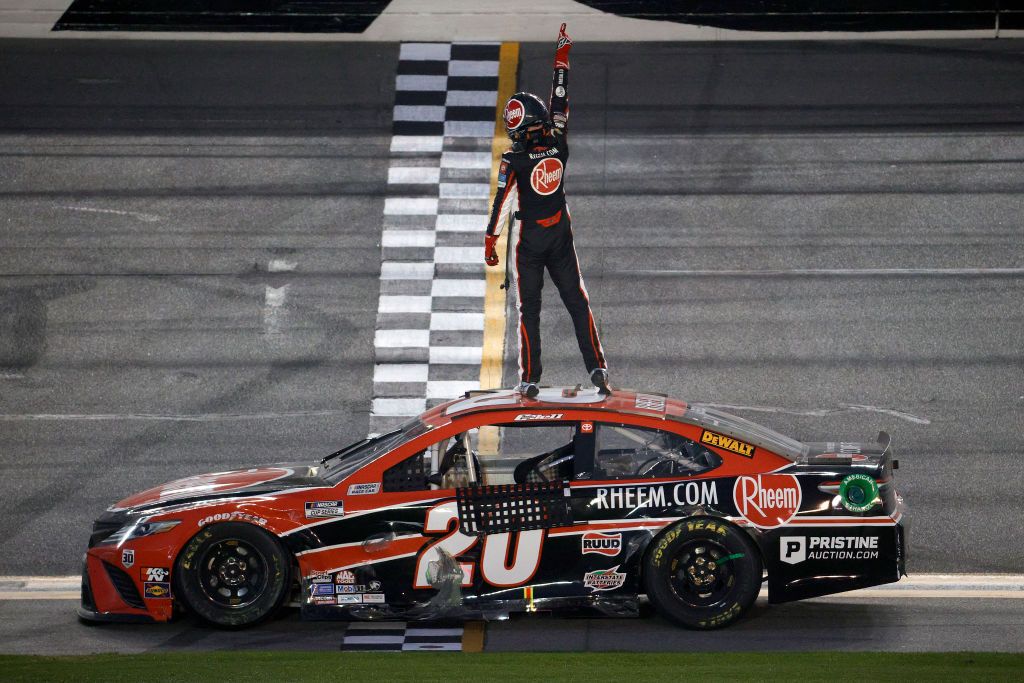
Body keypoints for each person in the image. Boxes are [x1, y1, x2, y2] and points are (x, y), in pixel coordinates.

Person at [484, 23, 609, 399]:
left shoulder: (515, 159)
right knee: (577, 302)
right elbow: (560, 99)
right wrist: (561, 59)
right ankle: (597, 367)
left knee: (529, 311)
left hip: (531, 243)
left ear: (521, 128)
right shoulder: (557, 141)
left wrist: (490, 240)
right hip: (561, 236)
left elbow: (502, 203)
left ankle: (530, 377)